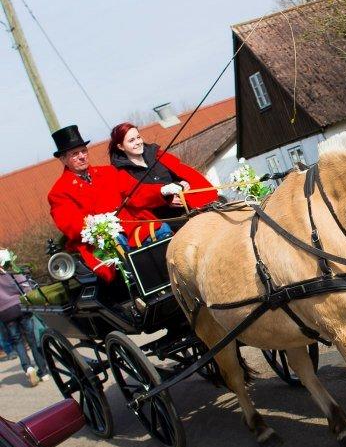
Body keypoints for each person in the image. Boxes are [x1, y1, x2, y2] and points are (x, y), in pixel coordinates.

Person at [47, 125, 170, 283]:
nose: (82, 156)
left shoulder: (109, 172)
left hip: (133, 228)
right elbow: (72, 225)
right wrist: (99, 226)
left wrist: (162, 190)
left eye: (84, 151)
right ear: (63, 159)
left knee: (162, 229)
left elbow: (136, 192)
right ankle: (141, 286)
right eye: (75, 154)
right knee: (118, 247)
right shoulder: (58, 192)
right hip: (101, 241)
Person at [109, 122, 217, 226]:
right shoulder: (121, 172)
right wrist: (165, 196)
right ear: (121, 147)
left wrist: (184, 182)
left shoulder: (157, 155)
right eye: (131, 140)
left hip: (190, 206)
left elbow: (180, 171)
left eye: (138, 137)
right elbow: (136, 197)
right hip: (165, 220)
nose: (138, 142)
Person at [0, 264, 49, 386]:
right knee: (32, 340)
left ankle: (28, 368)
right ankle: (43, 372)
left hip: (5, 312)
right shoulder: (10, 267)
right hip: (20, 305)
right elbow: (24, 284)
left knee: (17, 341)